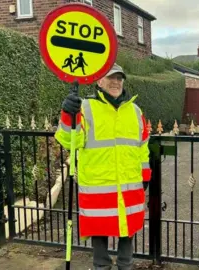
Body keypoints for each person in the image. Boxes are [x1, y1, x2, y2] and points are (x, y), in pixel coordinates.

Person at [54, 63, 151, 270]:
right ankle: (102, 267)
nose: (116, 82)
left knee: (128, 230)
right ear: (99, 81)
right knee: (99, 233)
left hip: (129, 184)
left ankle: (126, 266)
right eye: (111, 78)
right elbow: (69, 140)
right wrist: (67, 114)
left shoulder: (134, 111)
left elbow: (143, 145)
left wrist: (145, 173)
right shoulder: (85, 107)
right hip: (98, 184)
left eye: (119, 78)